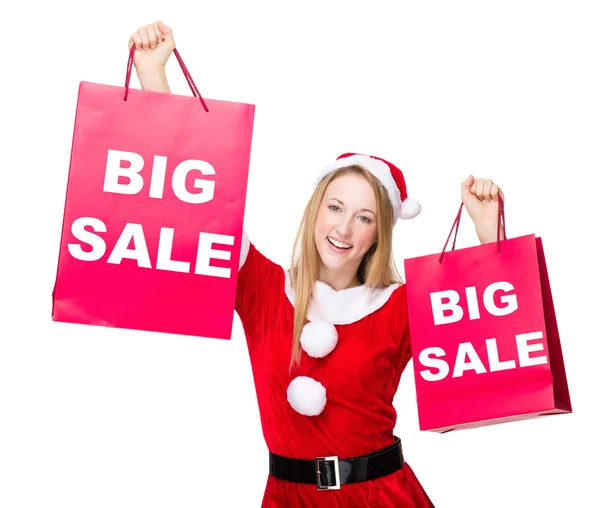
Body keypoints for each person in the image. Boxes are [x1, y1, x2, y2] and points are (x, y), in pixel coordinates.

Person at [128, 21, 506, 507]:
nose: (343, 229)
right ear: (315, 211)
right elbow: (191, 200)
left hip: (382, 497)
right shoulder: (262, 287)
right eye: (335, 207)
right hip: (287, 498)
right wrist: (153, 77)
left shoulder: (400, 306)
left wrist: (487, 230)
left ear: (378, 233)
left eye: (364, 216)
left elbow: (488, 327)